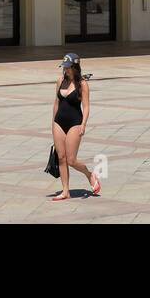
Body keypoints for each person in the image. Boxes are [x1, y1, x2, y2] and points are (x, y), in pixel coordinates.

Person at [50, 52, 100, 201]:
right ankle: (66, 191)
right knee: (61, 158)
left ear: (75, 67)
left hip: (75, 123)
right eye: (64, 67)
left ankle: (89, 174)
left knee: (71, 160)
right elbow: (56, 103)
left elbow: (86, 107)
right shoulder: (60, 81)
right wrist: (53, 123)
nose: (65, 70)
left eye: (68, 67)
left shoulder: (83, 84)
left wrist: (83, 125)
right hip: (59, 122)